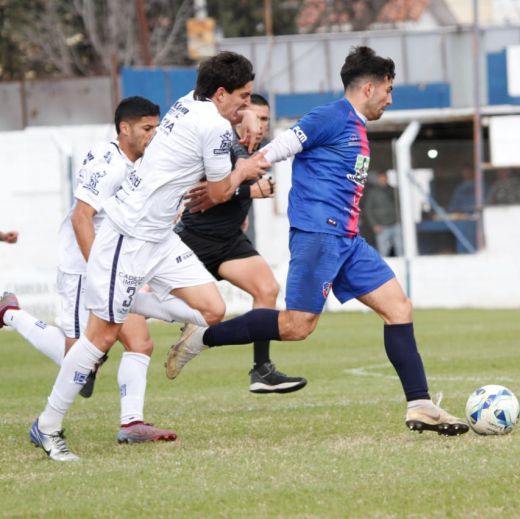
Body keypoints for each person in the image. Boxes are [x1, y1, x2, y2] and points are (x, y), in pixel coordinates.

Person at [166, 46, 469, 437]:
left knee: (398, 307)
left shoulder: (356, 126)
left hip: (347, 240)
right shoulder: (331, 116)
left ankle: (420, 404)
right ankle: (202, 338)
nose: (390, 100)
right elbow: (282, 146)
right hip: (318, 234)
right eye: (388, 91)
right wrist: (233, 180)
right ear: (369, 88)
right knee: (296, 326)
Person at [27, 51, 269, 461]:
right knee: (100, 338)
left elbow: (220, 135)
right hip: (128, 235)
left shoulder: (192, 102)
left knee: (212, 309)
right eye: (244, 98)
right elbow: (219, 191)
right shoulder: (211, 123)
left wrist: (240, 118)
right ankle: (46, 426)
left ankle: (122, 299)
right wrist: (247, 169)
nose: (248, 106)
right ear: (222, 93)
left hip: (159, 239)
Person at [1, 97, 177, 450]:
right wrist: (100, 272)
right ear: (124, 128)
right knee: (82, 361)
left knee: (140, 342)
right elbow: (82, 217)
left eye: (157, 128)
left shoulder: (145, 165)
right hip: (84, 270)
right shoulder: (108, 162)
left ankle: (132, 422)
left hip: (115, 269)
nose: (153, 136)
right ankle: (12, 314)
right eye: (147, 128)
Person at [175, 93, 307, 394]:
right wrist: (249, 193)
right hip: (194, 240)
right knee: (136, 306)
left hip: (229, 241)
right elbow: (204, 193)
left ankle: (262, 369)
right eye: (256, 117)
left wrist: (241, 211)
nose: (260, 126)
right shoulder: (223, 144)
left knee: (267, 289)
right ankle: (92, 353)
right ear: (240, 116)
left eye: (265, 120)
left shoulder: (256, 150)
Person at [362, 171, 402, 256]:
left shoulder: (393, 190)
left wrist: (400, 220)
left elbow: (400, 206)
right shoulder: (372, 193)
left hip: (395, 223)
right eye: (381, 179)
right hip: (381, 226)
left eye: (384, 178)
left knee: (400, 249)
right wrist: (374, 224)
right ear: (378, 180)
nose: (383, 180)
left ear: (387, 179)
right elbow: (368, 210)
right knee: (383, 251)